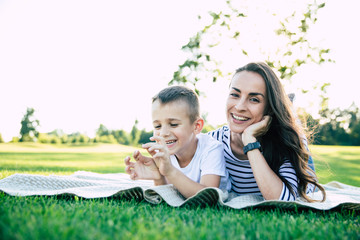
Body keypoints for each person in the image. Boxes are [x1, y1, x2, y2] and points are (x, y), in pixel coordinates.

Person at [208, 62, 326, 202]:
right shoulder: (211, 142)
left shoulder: (284, 143)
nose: (239, 107)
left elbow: (284, 201)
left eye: (254, 99)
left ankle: (289, 108)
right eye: (235, 94)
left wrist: (250, 141)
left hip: (282, 137)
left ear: (269, 109)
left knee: (296, 134)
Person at [124, 86, 227, 198]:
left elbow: (208, 196)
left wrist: (170, 172)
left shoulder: (211, 148)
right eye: (157, 126)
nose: (163, 133)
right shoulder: (164, 152)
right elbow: (168, 195)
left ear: (196, 126)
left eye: (173, 124)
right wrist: (158, 177)